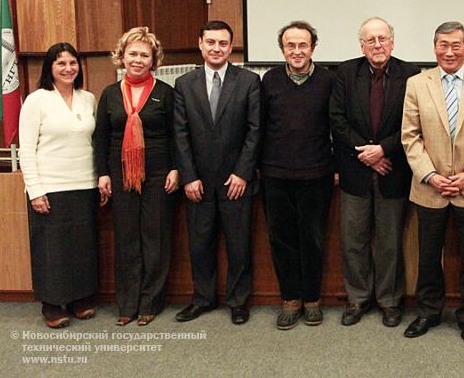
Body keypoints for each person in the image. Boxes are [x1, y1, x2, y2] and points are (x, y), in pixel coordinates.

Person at [401, 22, 464, 345]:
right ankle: (429, 311)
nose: (449, 51)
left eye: (456, 45)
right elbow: (410, 137)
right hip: (429, 188)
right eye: (443, 45)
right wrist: (431, 175)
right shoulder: (417, 84)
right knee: (428, 256)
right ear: (434, 47)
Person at [330, 17, 420, 327]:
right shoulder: (345, 72)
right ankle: (357, 299)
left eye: (382, 38)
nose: (377, 45)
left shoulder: (411, 74)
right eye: (370, 40)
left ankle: (390, 300)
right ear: (362, 45)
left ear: (393, 42)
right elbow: (337, 119)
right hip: (355, 171)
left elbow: (414, 123)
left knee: (389, 240)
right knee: (352, 239)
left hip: (393, 169)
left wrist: (384, 150)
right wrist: (367, 154)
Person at [173, 20, 261, 325]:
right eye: (210, 42)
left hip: (237, 182)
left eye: (223, 43)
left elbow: (255, 131)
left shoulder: (249, 81)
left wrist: (243, 173)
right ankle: (203, 299)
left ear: (231, 47)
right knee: (200, 245)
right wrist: (188, 175)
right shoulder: (184, 84)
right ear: (200, 43)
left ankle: (238, 302)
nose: (216, 48)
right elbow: (180, 134)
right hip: (198, 182)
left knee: (239, 246)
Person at [94, 27, 179, 326]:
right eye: (133, 54)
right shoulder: (109, 94)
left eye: (145, 55)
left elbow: (176, 136)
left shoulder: (166, 93)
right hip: (120, 175)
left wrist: (176, 168)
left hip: (159, 174)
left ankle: (150, 302)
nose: (138, 60)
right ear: (122, 57)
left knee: (155, 239)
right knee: (127, 239)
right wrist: (102, 174)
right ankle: (127, 304)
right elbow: (101, 138)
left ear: (154, 60)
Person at [19, 42, 105, 328]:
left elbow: (94, 143)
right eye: (61, 64)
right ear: (50, 68)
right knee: (51, 249)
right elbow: (26, 149)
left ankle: (80, 298)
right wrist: (35, 189)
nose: (68, 68)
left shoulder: (88, 98)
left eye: (72, 63)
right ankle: (52, 304)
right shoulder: (36, 100)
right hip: (50, 187)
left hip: (84, 183)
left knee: (81, 246)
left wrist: (100, 180)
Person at [261, 21, 336, 330]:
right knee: (282, 240)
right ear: (282, 49)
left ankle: (312, 300)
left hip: (317, 173)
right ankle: (290, 299)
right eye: (290, 45)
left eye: (302, 45)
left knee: (313, 239)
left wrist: (337, 169)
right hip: (275, 174)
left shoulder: (329, 81)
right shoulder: (270, 80)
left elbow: (337, 127)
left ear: (313, 48)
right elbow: (261, 126)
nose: (296, 51)